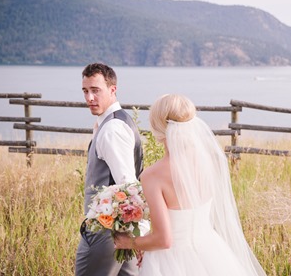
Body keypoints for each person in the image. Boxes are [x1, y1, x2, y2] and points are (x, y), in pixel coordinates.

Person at [114, 94, 266, 276]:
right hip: (211, 251)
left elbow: (164, 240)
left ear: (158, 127)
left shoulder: (152, 175)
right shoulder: (211, 159)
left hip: (170, 261)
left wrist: (128, 242)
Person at [75, 63, 144, 276]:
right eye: (85, 91)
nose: (89, 98)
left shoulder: (112, 129)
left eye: (96, 90)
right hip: (121, 231)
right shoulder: (116, 121)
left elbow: (127, 183)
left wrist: (137, 236)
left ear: (112, 89)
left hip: (106, 232)